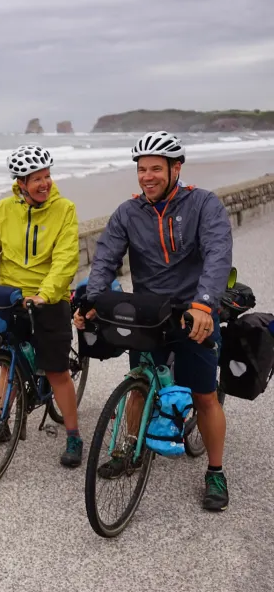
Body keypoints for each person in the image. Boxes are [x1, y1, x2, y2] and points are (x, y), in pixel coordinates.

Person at [74, 131, 233, 511]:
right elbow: (106, 260)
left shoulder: (203, 204)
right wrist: (91, 301)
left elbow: (217, 255)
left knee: (204, 395)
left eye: (156, 169)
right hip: (148, 315)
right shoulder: (128, 213)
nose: (148, 176)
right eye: (142, 169)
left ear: (176, 169)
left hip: (193, 313)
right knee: (139, 385)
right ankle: (128, 452)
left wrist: (205, 305)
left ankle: (215, 471)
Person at [0, 144, 82, 467]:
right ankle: (1, 423)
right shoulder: (3, 210)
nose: (44, 183)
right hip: (12, 299)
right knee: (6, 363)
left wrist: (46, 294)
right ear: (20, 183)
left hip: (50, 299)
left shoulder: (65, 210)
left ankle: (74, 435)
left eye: (47, 176)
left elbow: (65, 260)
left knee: (57, 371)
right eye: (36, 179)